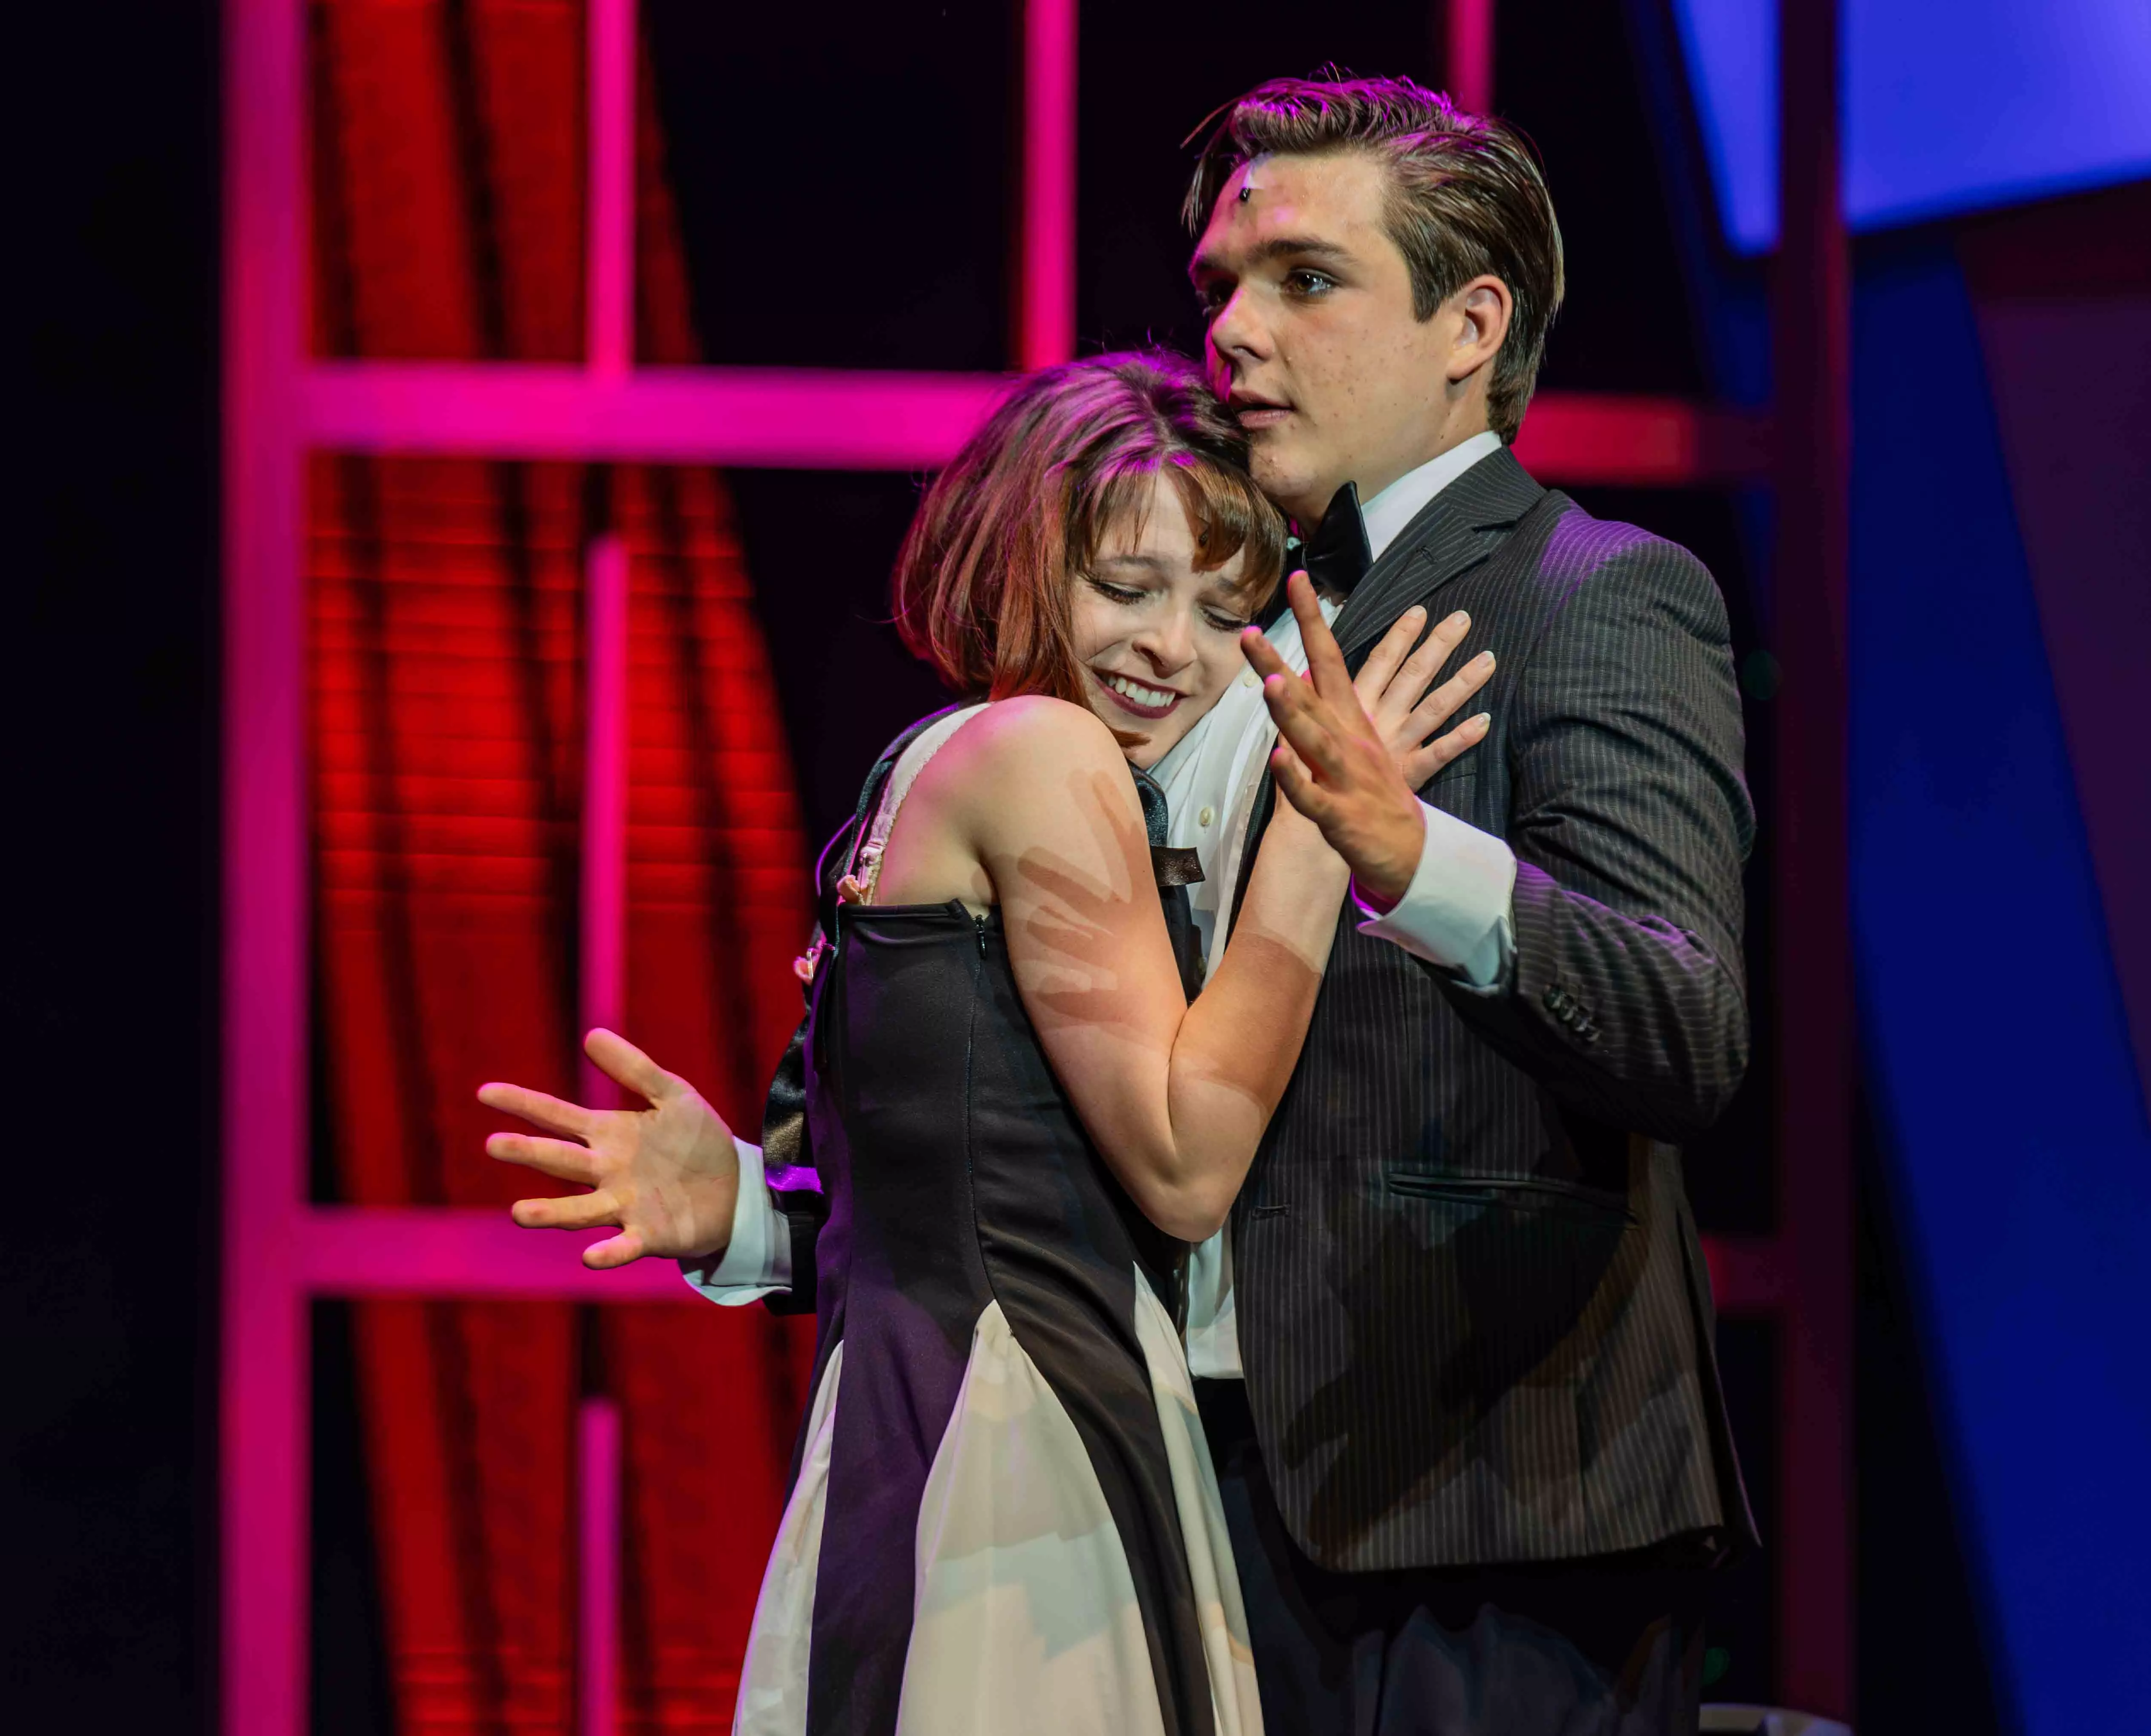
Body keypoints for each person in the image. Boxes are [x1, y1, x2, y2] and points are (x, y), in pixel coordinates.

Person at [488, 72, 1757, 1736]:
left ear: (1472, 323)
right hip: (1165, 1539)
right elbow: (999, 1183)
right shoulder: (1121, 688)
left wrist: (1413, 857)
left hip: (1469, 1542)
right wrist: (746, 1204)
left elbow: (1683, 1022)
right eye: (1222, 282)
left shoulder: (1591, 595)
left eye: (1303, 281)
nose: (1233, 328)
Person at [482, 350, 1493, 1736]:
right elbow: (1186, 1165)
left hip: (924, 1426)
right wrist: (1336, 838)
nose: (1169, 650)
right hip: (1026, 1455)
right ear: (1015, 557)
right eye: (1124, 590)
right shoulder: (1044, 757)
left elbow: (961, 1181)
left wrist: (745, 1209)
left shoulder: (915, 772)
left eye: (1222, 610)